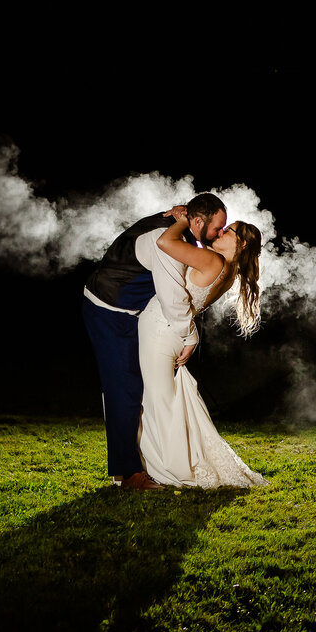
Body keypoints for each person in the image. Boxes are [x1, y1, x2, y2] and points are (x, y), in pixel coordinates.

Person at [82, 193, 227, 491]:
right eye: (216, 228)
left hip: (125, 312)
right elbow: (173, 299)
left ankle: (131, 465)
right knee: (124, 388)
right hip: (109, 311)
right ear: (197, 220)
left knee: (129, 386)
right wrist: (189, 337)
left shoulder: (175, 226)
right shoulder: (167, 243)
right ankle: (130, 474)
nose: (219, 234)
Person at [136, 209, 267, 488]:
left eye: (227, 231)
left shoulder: (212, 259)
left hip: (161, 329)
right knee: (160, 399)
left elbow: (165, 243)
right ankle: (154, 460)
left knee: (155, 403)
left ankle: (163, 465)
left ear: (240, 244)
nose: (220, 233)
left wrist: (185, 218)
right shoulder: (229, 272)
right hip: (175, 334)